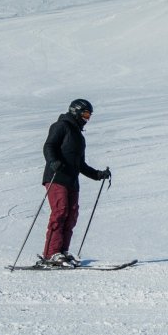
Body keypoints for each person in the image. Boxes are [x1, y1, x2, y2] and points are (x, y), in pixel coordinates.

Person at [41, 99, 111, 267]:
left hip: (72, 180)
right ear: (76, 112)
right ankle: (51, 253)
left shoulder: (79, 136)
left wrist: (98, 175)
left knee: (71, 215)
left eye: (89, 115)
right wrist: (53, 161)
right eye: (86, 114)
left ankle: (62, 251)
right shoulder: (61, 126)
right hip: (57, 176)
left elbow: (81, 165)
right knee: (60, 211)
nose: (87, 118)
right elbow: (49, 146)